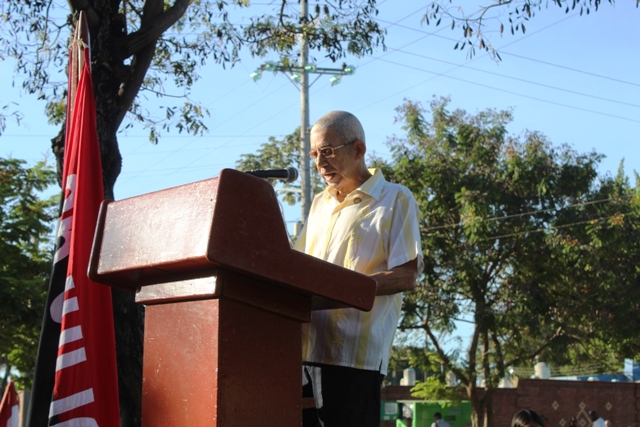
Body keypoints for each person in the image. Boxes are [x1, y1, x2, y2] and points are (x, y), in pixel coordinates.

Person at [295, 111, 423, 427]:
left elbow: (406, 274)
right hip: (302, 353)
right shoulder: (319, 205)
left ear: (358, 149)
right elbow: (296, 268)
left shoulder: (395, 198)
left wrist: (340, 292)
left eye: (328, 151)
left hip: (354, 361)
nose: (320, 163)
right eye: (314, 154)